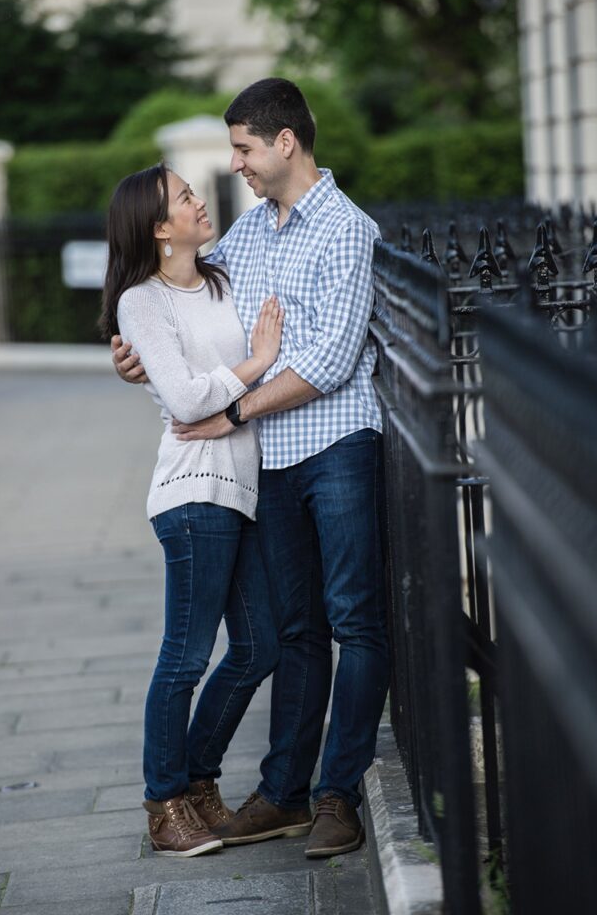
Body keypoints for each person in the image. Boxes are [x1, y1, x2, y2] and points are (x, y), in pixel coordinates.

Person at [112, 77, 389, 859]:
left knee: (355, 621)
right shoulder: (250, 235)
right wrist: (138, 358)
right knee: (295, 632)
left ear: (284, 143)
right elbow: (184, 301)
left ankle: (339, 795)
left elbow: (329, 361)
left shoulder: (346, 229)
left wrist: (231, 411)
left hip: (336, 445)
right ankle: (283, 795)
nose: (234, 164)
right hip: (268, 463)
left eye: (242, 148)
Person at [100, 162, 284, 857]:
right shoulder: (140, 303)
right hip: (192, 491)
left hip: (243, 488)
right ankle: (163, 802)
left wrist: (246, 371)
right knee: (184, 658)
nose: (199, 200)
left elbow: (201, 383)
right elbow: (182, 401)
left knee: (260, 645)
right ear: (158, 228)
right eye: (184, 197)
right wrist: (253, 363)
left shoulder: (221, 278)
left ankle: (198, 781)